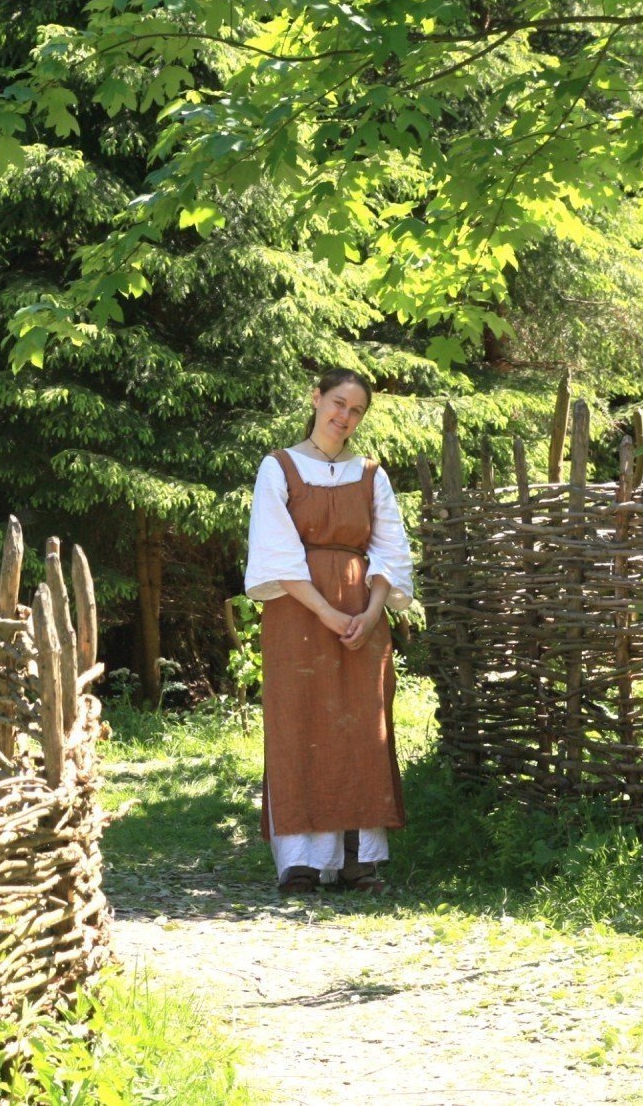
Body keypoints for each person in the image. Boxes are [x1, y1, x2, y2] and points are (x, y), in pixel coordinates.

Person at [243, 368, 415, 894]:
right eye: (338, 403)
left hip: (363, 615)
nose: (344, 417)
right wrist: (325, 612)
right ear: (317, 399)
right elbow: (276, 551)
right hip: (298, 614)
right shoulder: (279, 468)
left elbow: (390, 548)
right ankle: (299, 862)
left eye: (356, 410)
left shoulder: (371, 474)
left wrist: (371, 610)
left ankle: (356, 861)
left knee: (362, 726)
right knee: (300, 721)